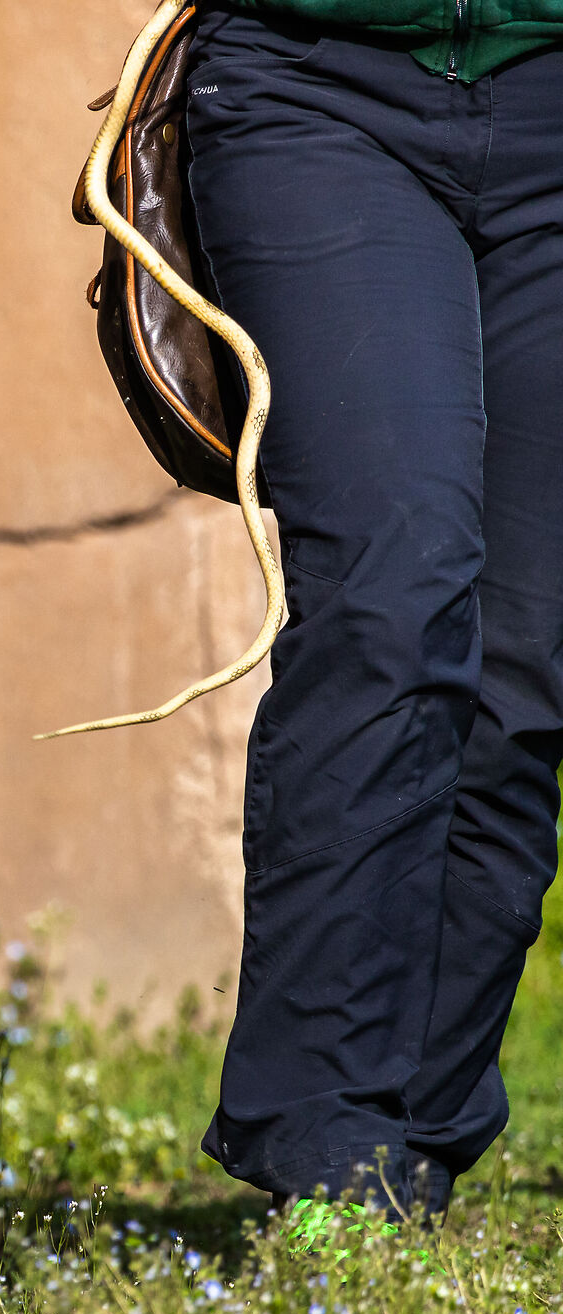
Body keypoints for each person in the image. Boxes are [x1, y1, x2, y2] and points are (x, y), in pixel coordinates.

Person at [184, 3, 563, 1215]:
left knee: (526, 661)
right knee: (392, 596)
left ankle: (416, 1146)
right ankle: (327, 1144)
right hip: (319, 84)